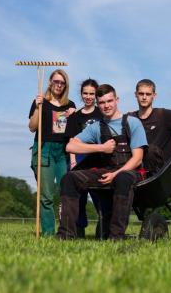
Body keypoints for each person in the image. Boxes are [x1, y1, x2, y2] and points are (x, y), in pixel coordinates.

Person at [56, 84, 147, 240]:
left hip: (131, 172)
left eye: (109, 101)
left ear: (116, 100)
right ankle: (66, 234)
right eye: (102, 103)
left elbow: (138, 158)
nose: (106, 106)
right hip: (106, 170)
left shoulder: (132, 123)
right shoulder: (96, 127)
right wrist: (101, 148)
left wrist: (117, 174)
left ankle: (116, 236)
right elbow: (70, 145)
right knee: (69, 178)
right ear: (98, 104)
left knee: (122, 178)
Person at [28, 69, 76, 236]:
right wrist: (38, 108)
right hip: (44, 149)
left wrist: (74, 116)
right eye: (56, 81)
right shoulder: (41, 102)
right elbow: (32, 127)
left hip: (63, 151)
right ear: (50, 82)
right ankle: (48, 233)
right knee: (46, 195)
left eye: (62, 83)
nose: (58, 85)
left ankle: (65, 232)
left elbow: (73, 132)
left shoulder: (70, 105)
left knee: (66, 194)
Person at [65, 78, 104, 238]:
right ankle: (79, 229)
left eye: (91, 94)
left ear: (96, 95)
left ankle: (103, 227)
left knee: (99, 195)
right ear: (81, 95)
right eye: (85, 93)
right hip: (79, 160)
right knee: (79, 198)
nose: (88, 96)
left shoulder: (102, 113)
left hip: (97, 159)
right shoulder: (75, 116)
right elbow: (72, 140)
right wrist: (73, 161)